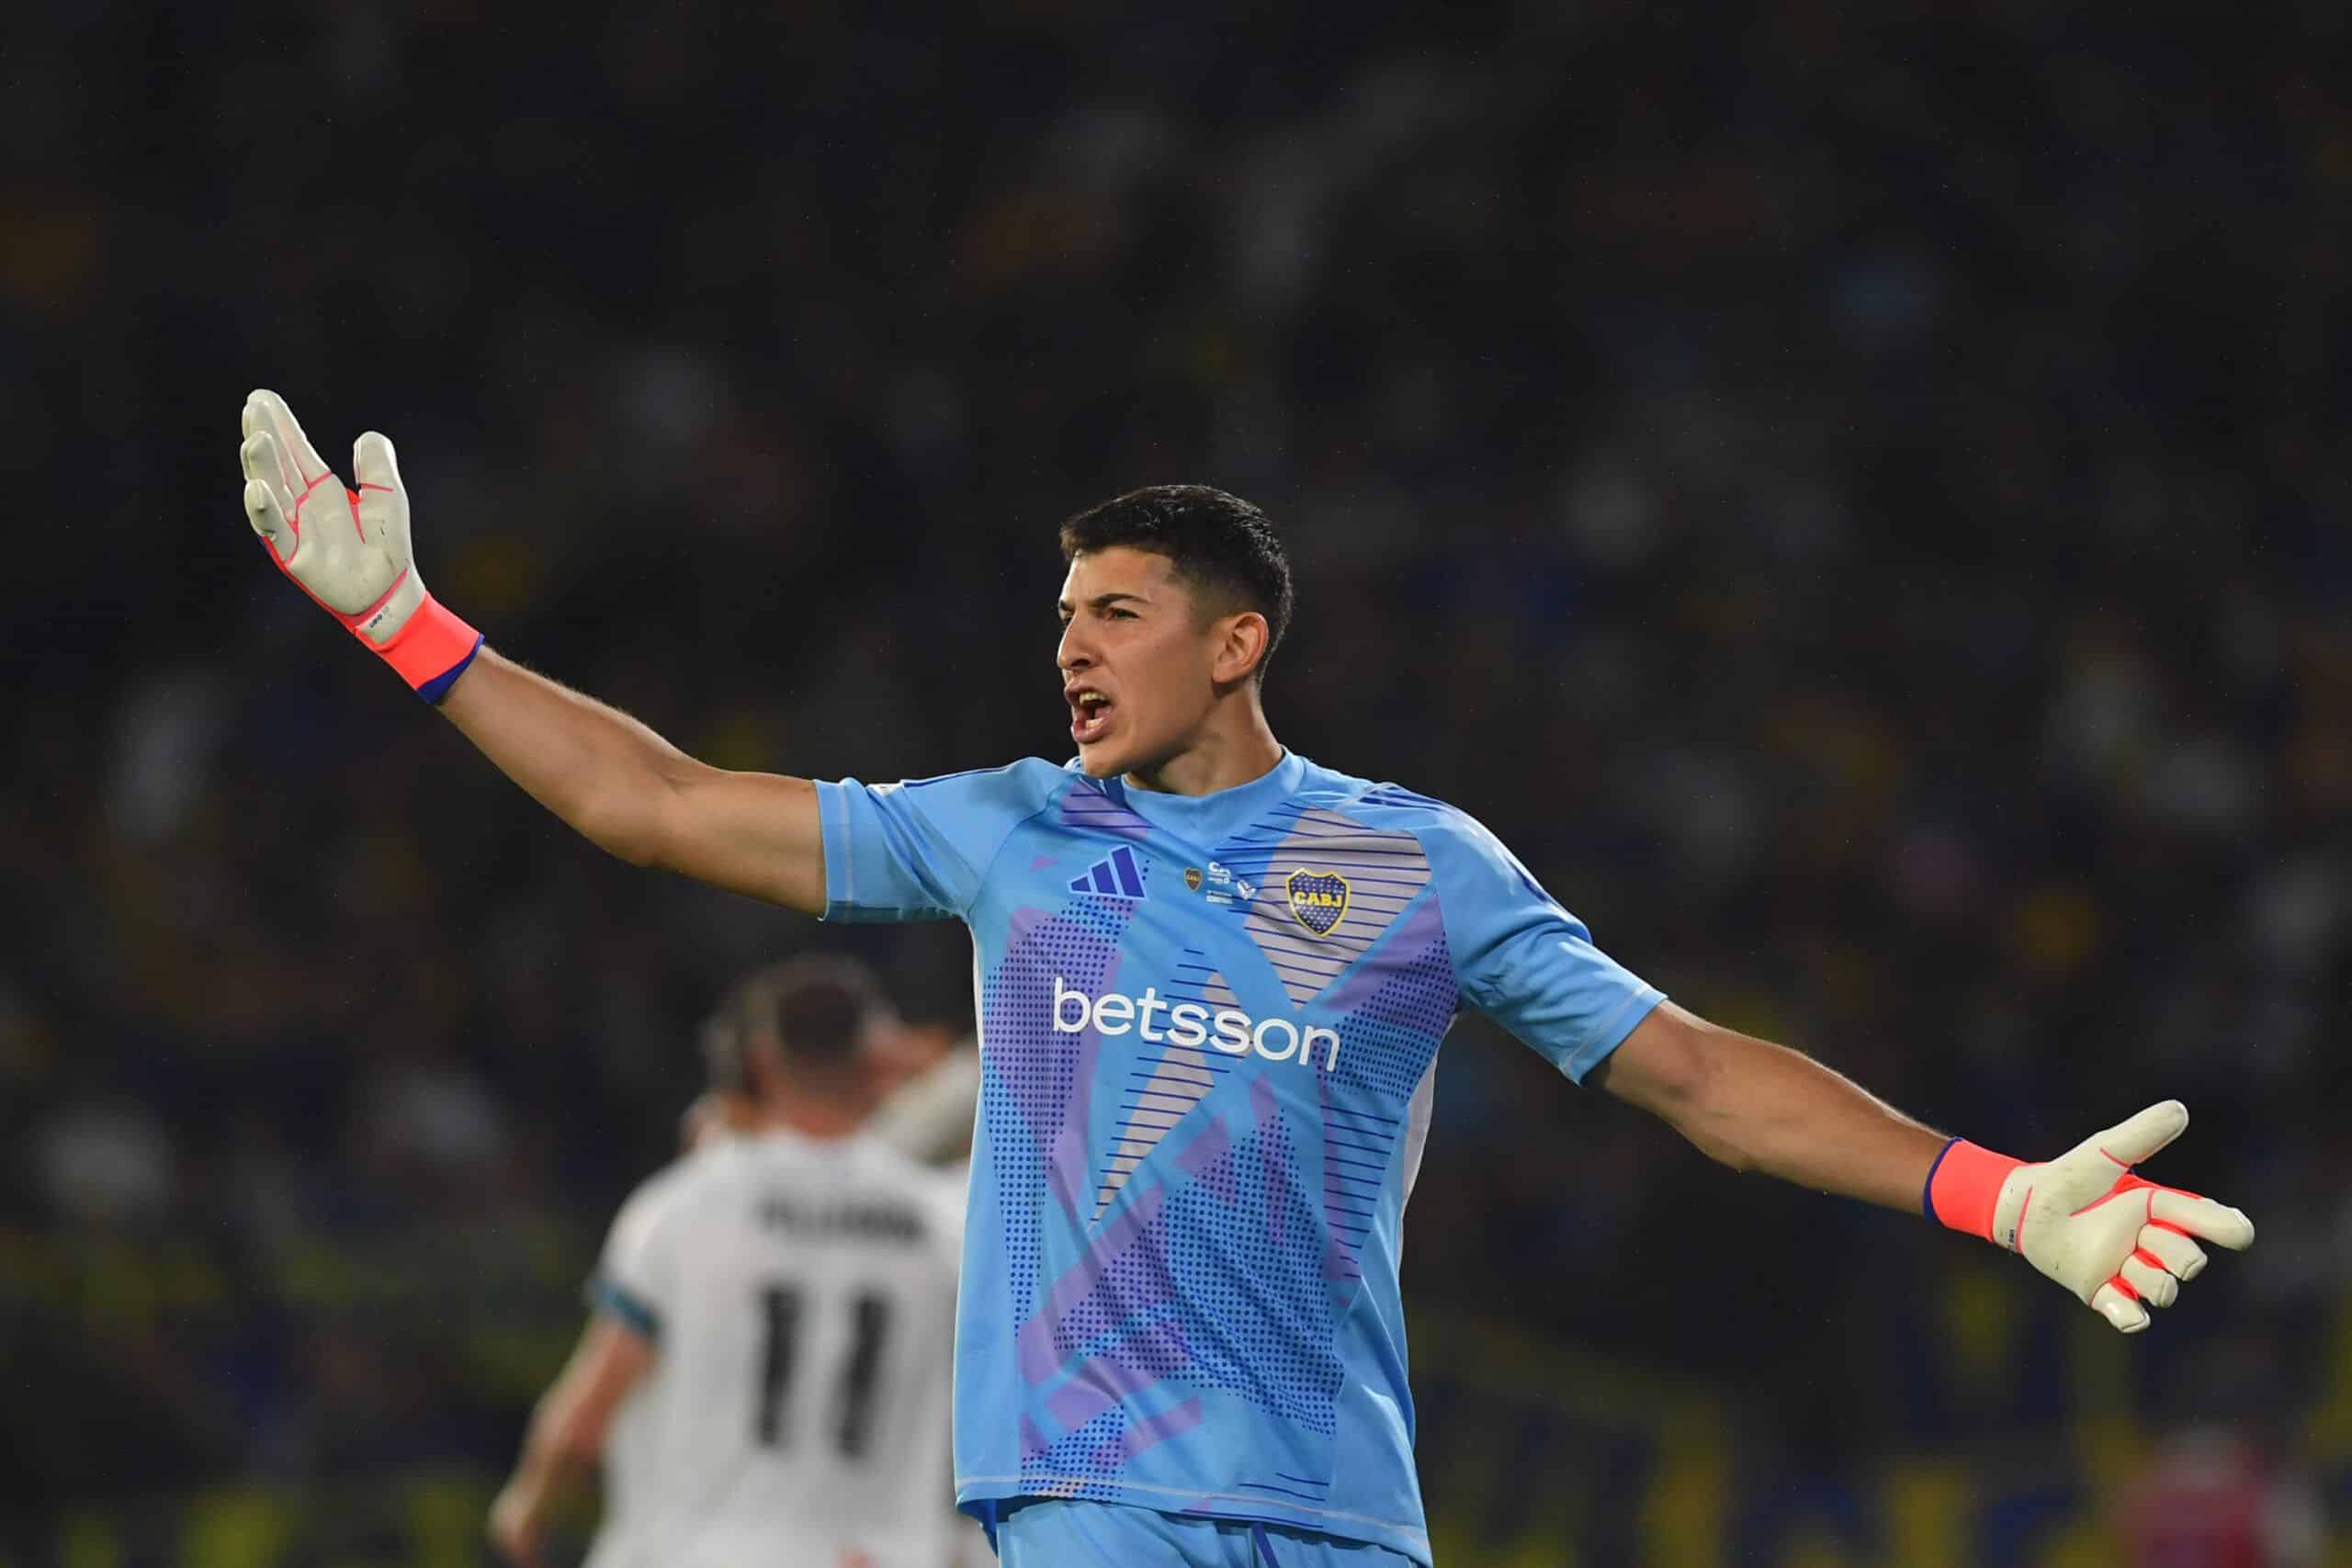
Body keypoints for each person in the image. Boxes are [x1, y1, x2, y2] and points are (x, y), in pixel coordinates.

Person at [238, 389, 2256, 1568]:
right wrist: (409, 626)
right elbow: (657, 807)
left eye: (1115, 612)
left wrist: (1997, 1193)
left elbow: (1693, 1077)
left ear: (1239, 639)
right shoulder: (1013, 829)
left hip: (1343, 1507)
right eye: (1060, 615)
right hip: (1087, 1492)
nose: (1071, 649)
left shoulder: (1409, 863)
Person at [486, 954, 967, 1568]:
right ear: (877, 1065)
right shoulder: (946, 1221)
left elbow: (583, 1421)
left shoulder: (685, 1206)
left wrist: (528, 1505)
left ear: (760, 1060)